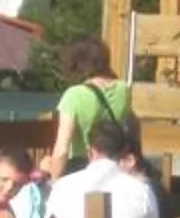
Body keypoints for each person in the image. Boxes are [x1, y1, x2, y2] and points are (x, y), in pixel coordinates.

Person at [44, 36, 133, 182]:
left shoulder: (74, 95)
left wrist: (54, 182)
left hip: (80, 170)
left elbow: (62, 149)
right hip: (113, 169)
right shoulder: (124, 90)